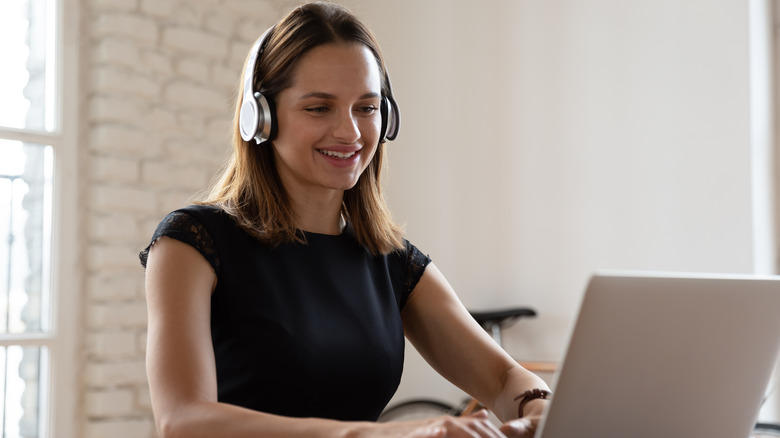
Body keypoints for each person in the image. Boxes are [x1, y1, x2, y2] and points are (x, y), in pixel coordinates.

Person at [140, 2, 551, 437]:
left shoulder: (391, 261)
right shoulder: (192, 244)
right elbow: (183, 420)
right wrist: (390, 434)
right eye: (319, 108)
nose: (350, 133)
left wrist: (538, 405)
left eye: (366, 108)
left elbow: (504, 378)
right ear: (260, 117)